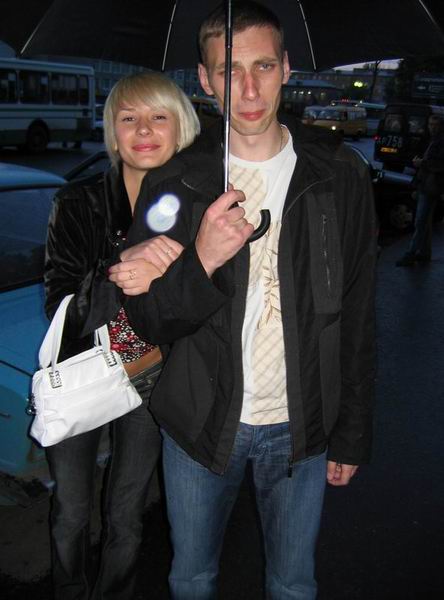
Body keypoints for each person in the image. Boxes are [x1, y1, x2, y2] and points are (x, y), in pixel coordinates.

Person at [112, 2, 377, 598]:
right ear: (205, 80)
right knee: (192, 576)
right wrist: (202, 259)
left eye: (263, 66)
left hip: (302, 424)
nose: (249, 89)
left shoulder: (339, 175)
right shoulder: (174, 183)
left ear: (287, 67)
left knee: (293, 583)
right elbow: (147, 322)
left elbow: (358, 313)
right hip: (200, 423)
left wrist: (353, 432)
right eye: (229, 70)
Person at [44, 71, 200, 600]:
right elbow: (59, 306)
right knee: (71, 509)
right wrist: (122, 262)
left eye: (159, 117)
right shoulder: (78, 202)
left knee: (127, 512)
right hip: (80, 371)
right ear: (113, 130)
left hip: (151, 378)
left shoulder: (197, 209)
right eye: (128, 118)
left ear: (181, 128)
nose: (144, 130)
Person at [396, 114, 444, 266]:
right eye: (430, 124)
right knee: (424, 221)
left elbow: (439, 165)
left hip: (432, 186)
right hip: (427, 185)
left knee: (420, 221)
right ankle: (423, 252)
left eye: (435, 125)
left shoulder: (440, 142)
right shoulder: (433, 141)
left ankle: (411, 253)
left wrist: (422, 163)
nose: (432, 128)